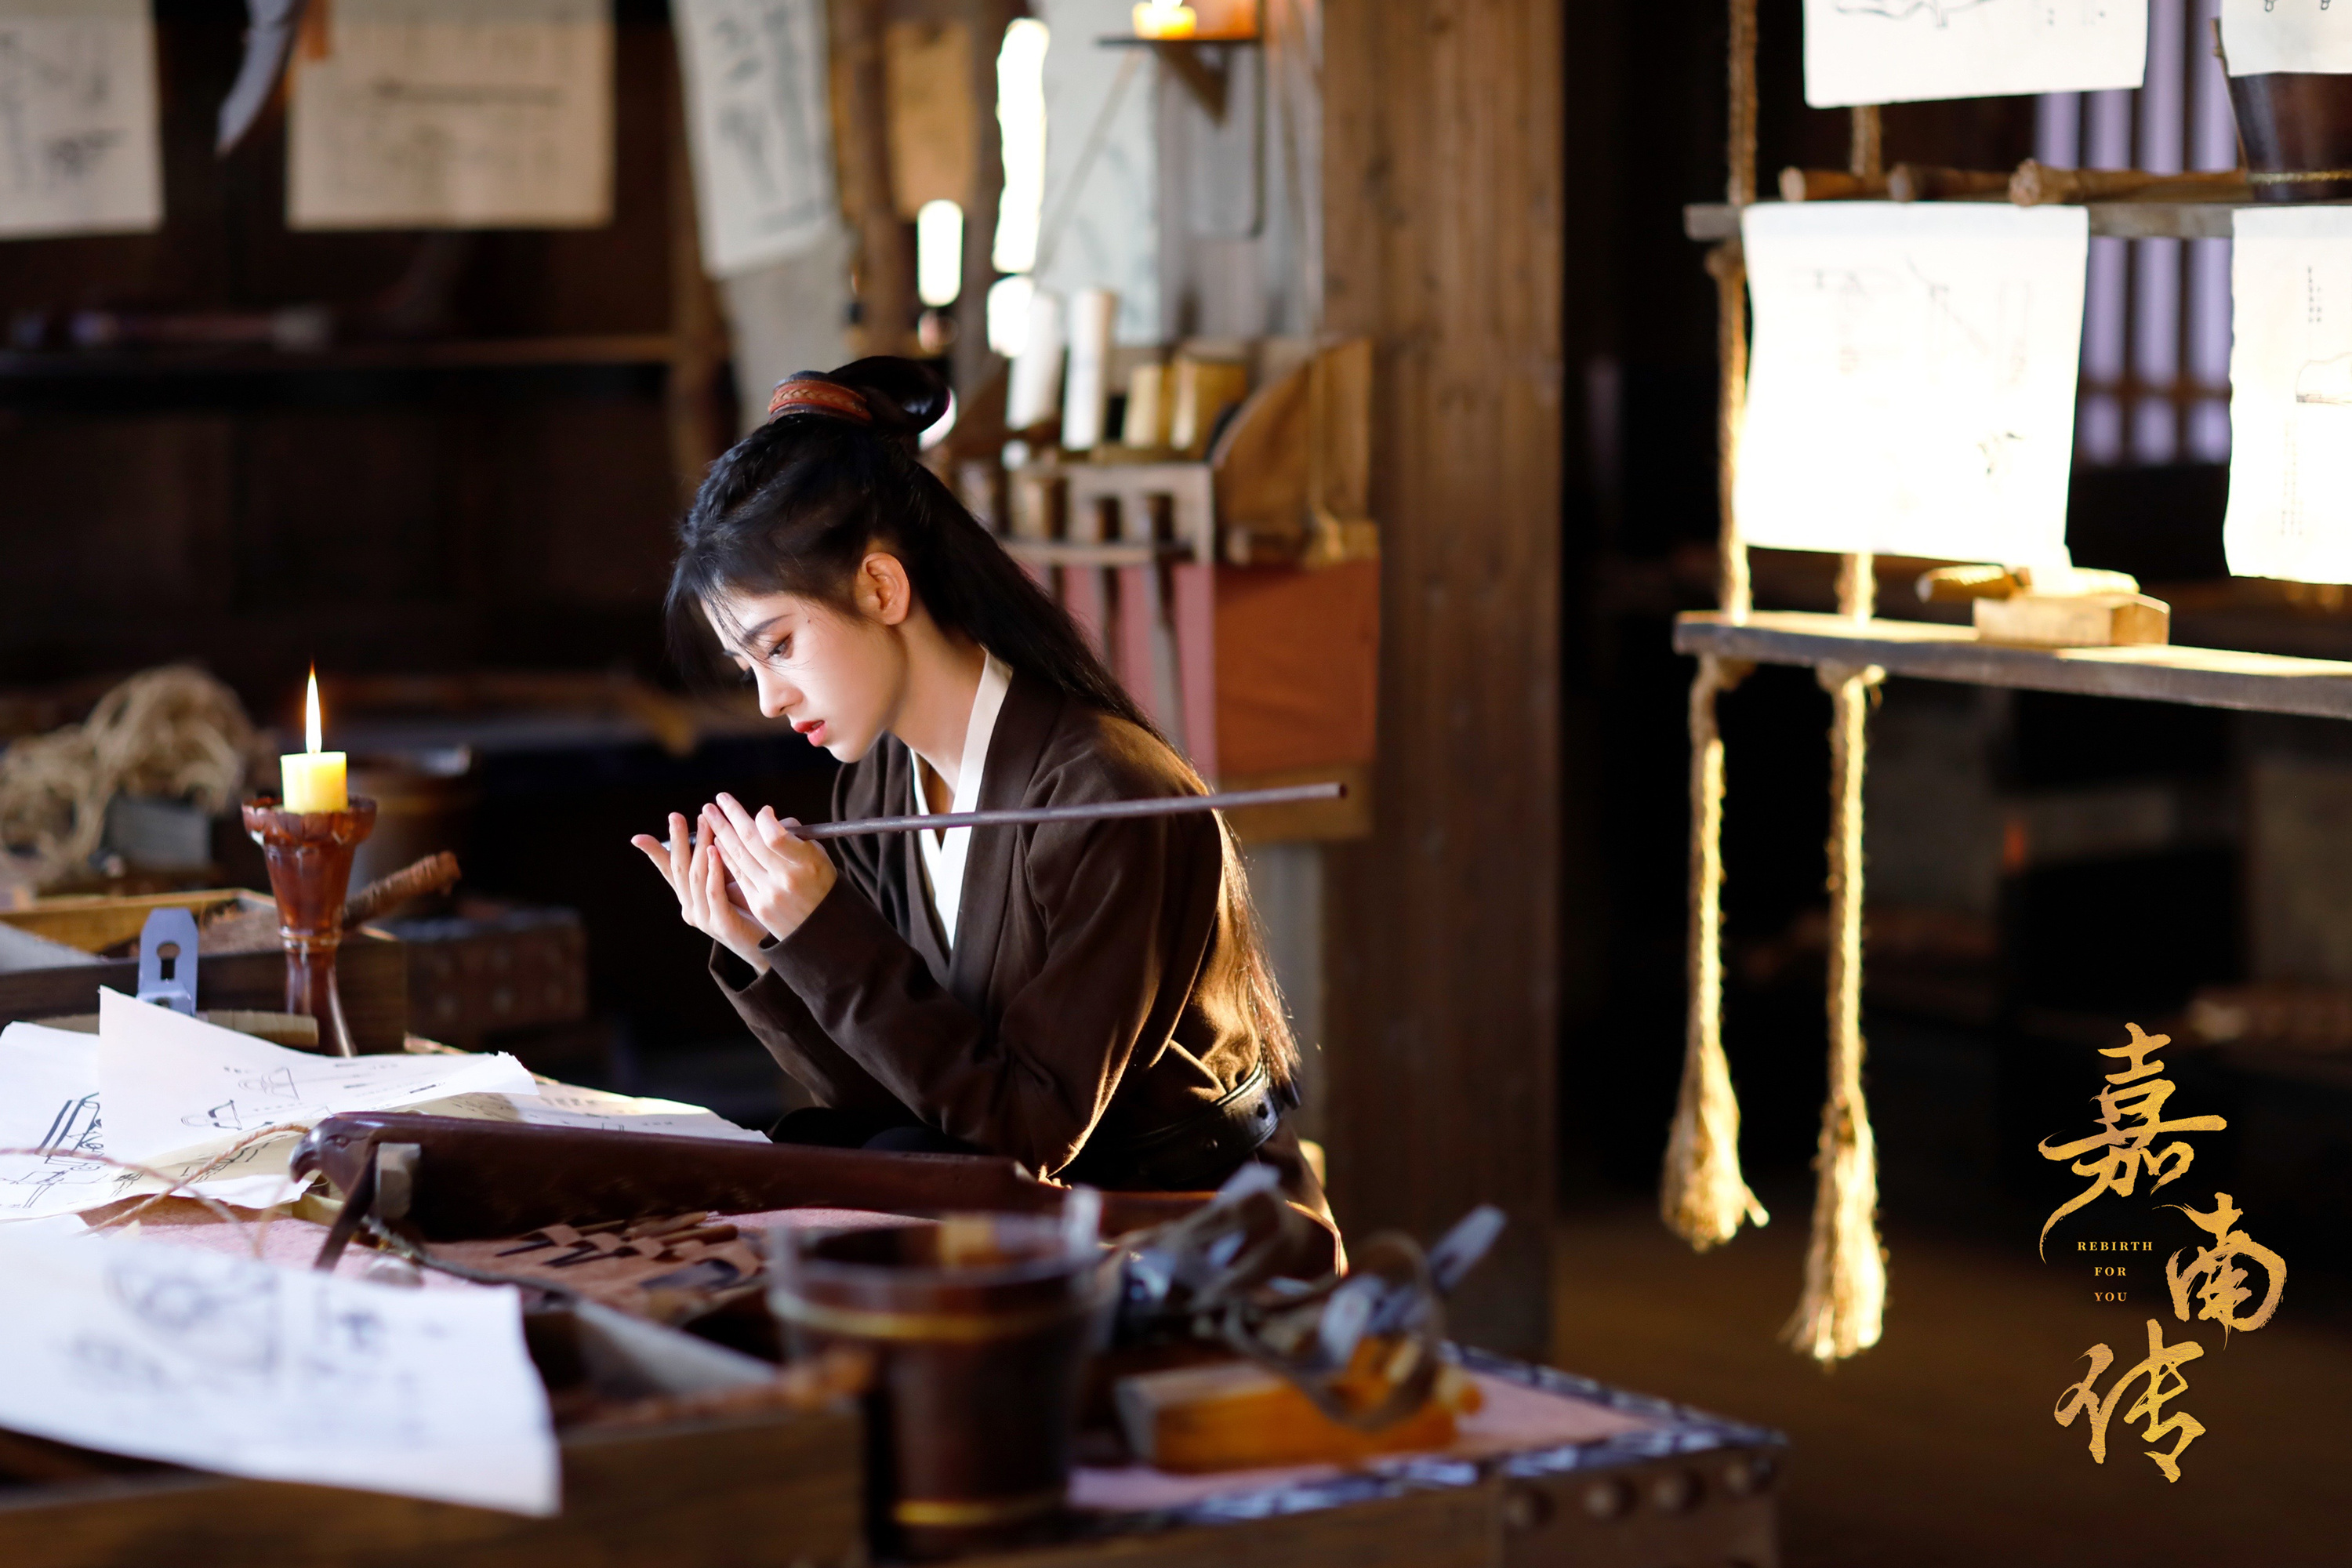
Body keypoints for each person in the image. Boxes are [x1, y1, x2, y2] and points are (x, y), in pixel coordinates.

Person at [630, 357, 1327, 1218]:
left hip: (1192, 1236)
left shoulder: (1106, 795)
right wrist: (772, 948)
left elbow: (1027, 1133)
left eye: (779, 646)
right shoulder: (883, 782)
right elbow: (896, 1098)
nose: (771, 699)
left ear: (881, 586)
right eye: (749, 668)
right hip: (1035, 1224)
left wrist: (826, 935)